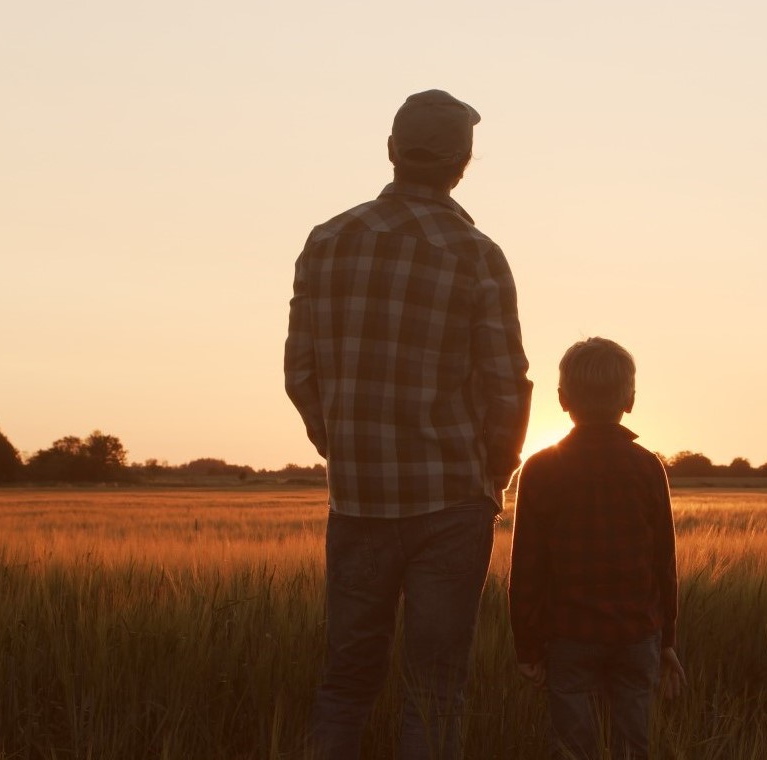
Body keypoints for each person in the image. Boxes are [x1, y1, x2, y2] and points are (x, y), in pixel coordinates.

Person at [285, 89, 533, 760]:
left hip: (357, 500)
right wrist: (496, 469)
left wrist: (340, 448)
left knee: (344, 681)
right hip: (452, 499)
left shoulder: (327, 241)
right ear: (463, 163)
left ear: (392, 151)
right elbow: (507, 382)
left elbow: (300, 372)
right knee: (434, 688)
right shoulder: (476, 254)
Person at [508, 337, 685, 760]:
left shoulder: (540, 468)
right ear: (631, 399)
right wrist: (666, 642)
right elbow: (665, 564)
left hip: (569, 637)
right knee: (632, 746)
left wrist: (527, 648)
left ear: (562, 399)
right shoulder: (647, 467)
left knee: (573, 748)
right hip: (636, 636)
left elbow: (526, 569)